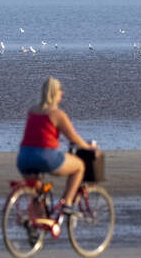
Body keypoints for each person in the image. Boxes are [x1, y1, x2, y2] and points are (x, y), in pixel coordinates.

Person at [17, 77, 96, 236]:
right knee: (80, 166)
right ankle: (67, 202)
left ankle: (35, 225)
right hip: (45, 157)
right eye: (60, 91)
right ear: (55, 93)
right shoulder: (57, 114)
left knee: (37, 191)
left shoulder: (32, 110)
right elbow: (73, 138)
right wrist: (89, 147)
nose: (62, 94)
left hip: (23, 158)